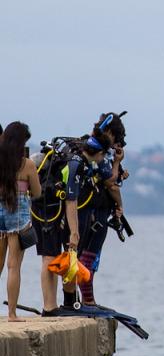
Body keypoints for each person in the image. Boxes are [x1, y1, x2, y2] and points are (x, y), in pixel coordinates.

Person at [33, 133, 112, 315]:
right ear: (98, 153)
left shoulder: (80, 161)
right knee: (50, 257)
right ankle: (50, 307)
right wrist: (74, 233)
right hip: (46, 210)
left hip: (53, 208)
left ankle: (68, 303)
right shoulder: (76, 165)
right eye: (103, 156)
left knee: (70, 256)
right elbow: (71, 200)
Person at [76, 112, 128, 305]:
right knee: (89, 258)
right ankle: (88, 301)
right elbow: (111, 183)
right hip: (95, 214)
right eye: (115, 137)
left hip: (82, 211)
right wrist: (117, 163)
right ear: (108, 132)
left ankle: (79, 299)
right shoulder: (99, 151)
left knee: (80, 257)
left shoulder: (85, 145)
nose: (115, 143)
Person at [0, 121, 41, 321]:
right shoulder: (27, 164)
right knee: (13, 266)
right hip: (17, 219)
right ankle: (12, 314)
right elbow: (38, 192)